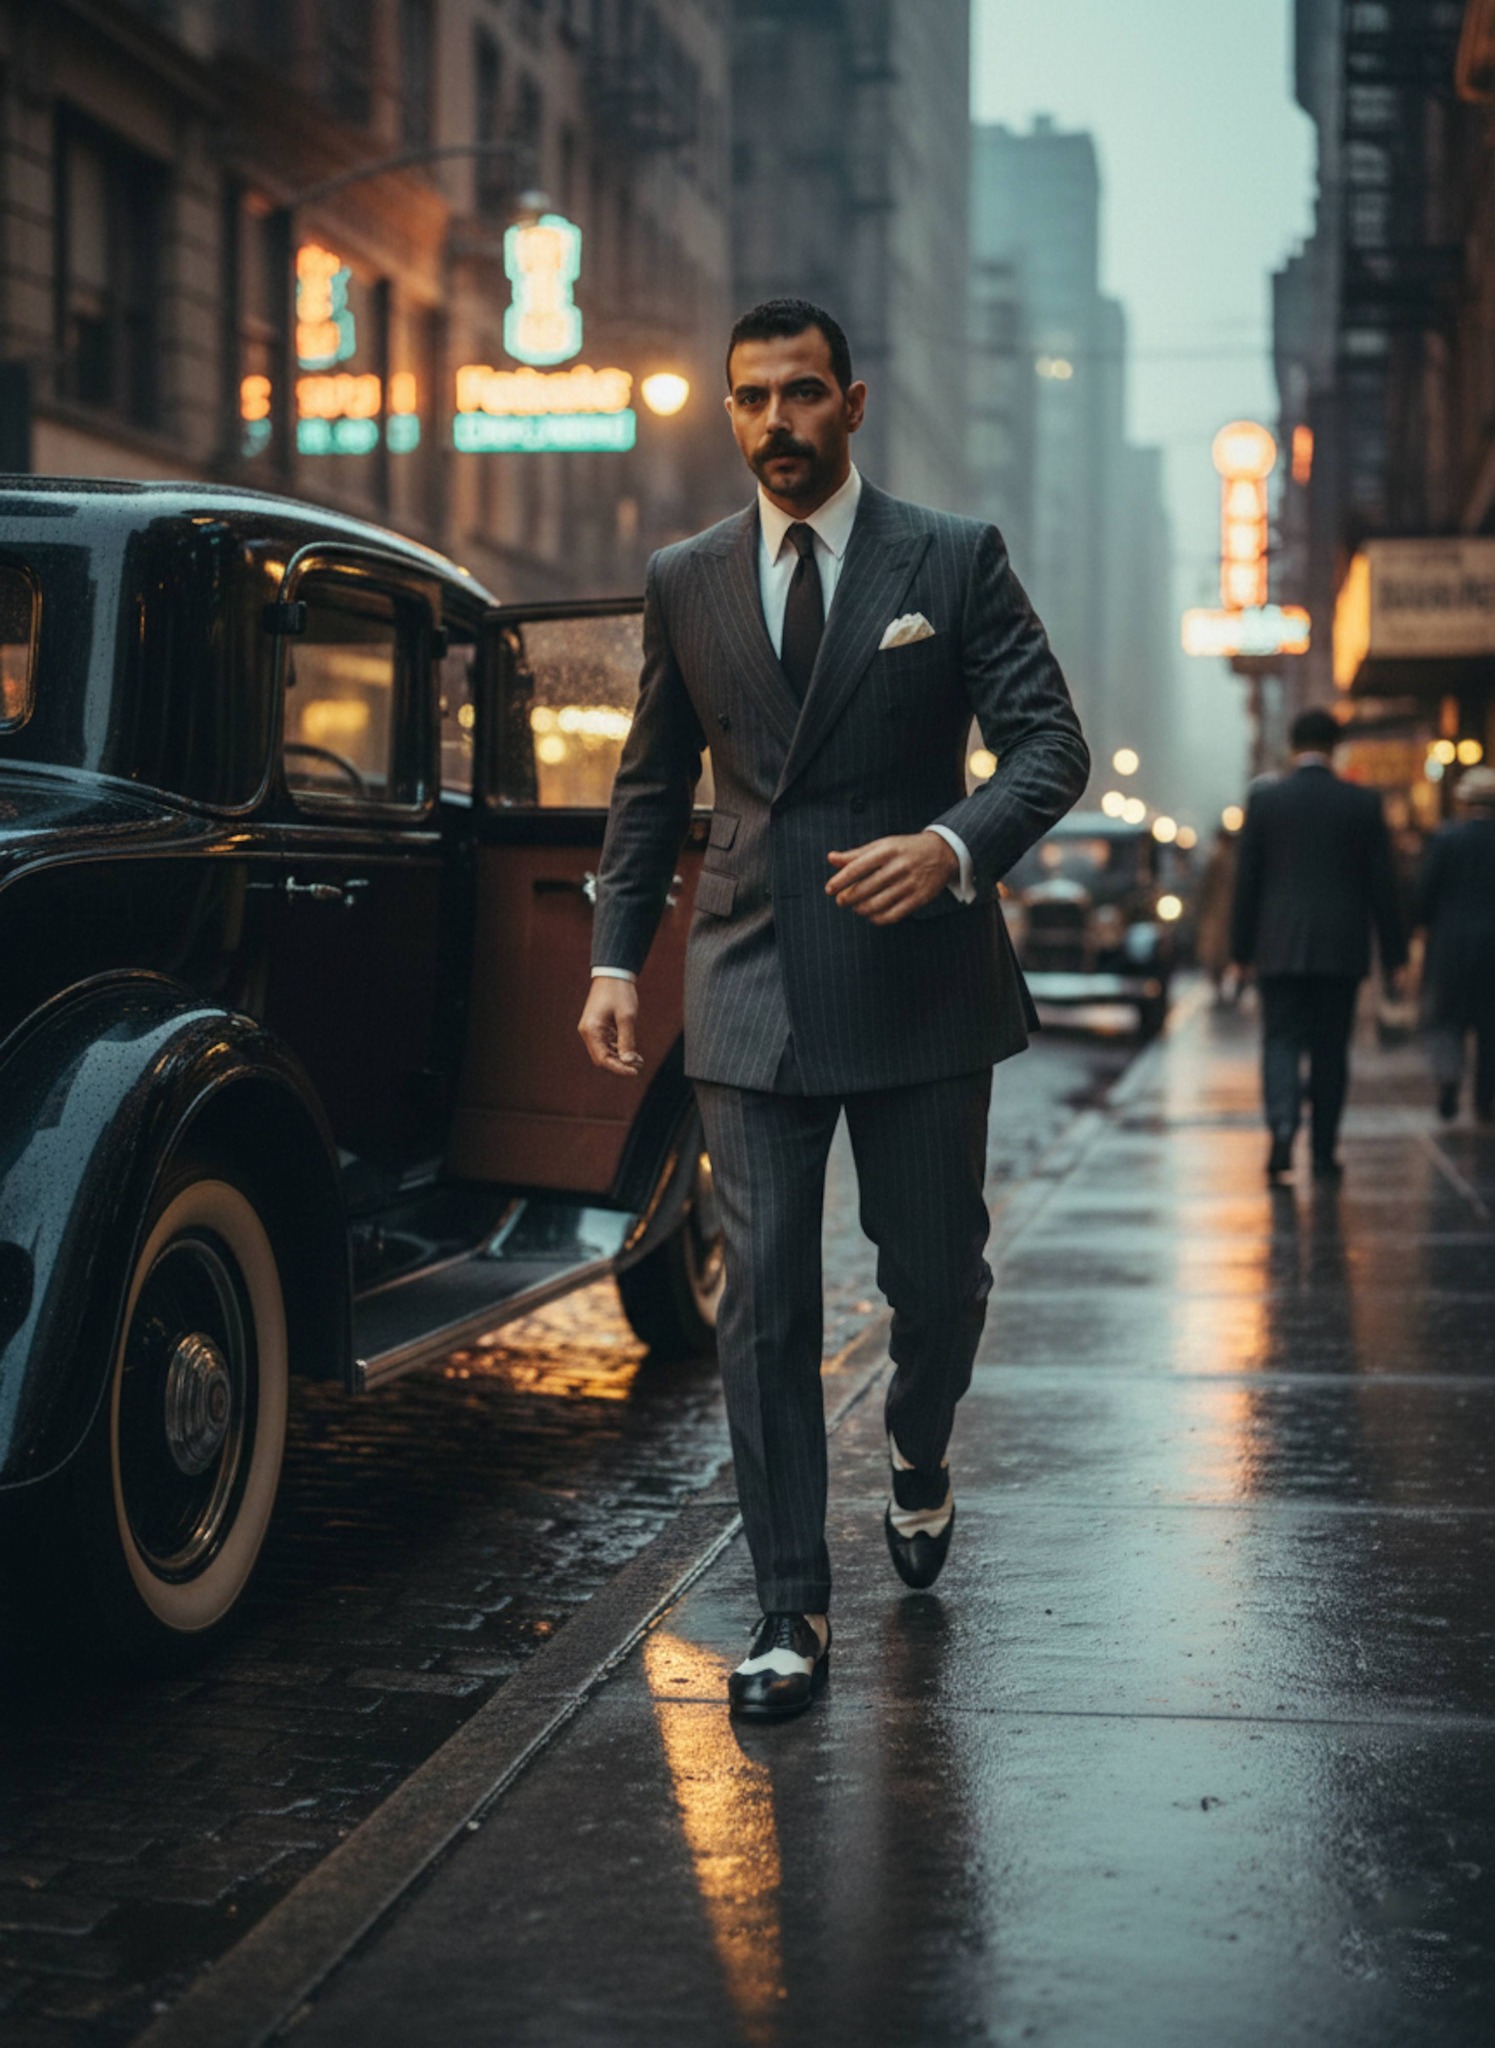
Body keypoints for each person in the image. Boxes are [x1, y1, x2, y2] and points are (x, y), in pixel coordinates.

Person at [577, 299, 1088, 1719]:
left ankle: (917, 1453)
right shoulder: (684, 576)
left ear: (850, 405)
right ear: (725, 412)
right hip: (746, 981)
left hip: (920, 978)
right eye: (748, 400)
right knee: (763, 1311)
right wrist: (617, 959)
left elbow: (1051, 744)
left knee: (933, 1283)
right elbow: (646, 785)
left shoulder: (949, 556)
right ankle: (789, 1610)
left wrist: (951, 844)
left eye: (800, 396)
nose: (774, 425)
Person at [1230, 705, 1407, 1183]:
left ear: (1293, 746)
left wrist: (1240, 954)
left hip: (1278, 947)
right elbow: (1383, 887)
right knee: (1331, 1051)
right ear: (1336, 747)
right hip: (1340, 950)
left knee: (1281, 1042)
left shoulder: (1266, 802)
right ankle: (1325, 1152)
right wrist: (1396, 956)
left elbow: (1246, 883)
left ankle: (1283, 1129)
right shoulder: (1362, 803)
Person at [1416, 763, 1495, 1123]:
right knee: (1489, 1023)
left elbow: (1425, 893)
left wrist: (1423, 926)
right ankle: (1485, 1097)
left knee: (1448, 1020)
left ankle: (1449, 1080)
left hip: (1451, 945)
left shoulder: (1447, 838)